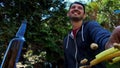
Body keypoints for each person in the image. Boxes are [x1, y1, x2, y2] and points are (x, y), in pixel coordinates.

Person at [63, 1, 120, 68]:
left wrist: (108, 43)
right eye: (73, 7)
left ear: (84, 16)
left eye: (80, 8)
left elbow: (100, 34)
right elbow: (67, 61)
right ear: (68, 14)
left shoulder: (90, 26)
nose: (76, 9)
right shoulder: (66, 40)